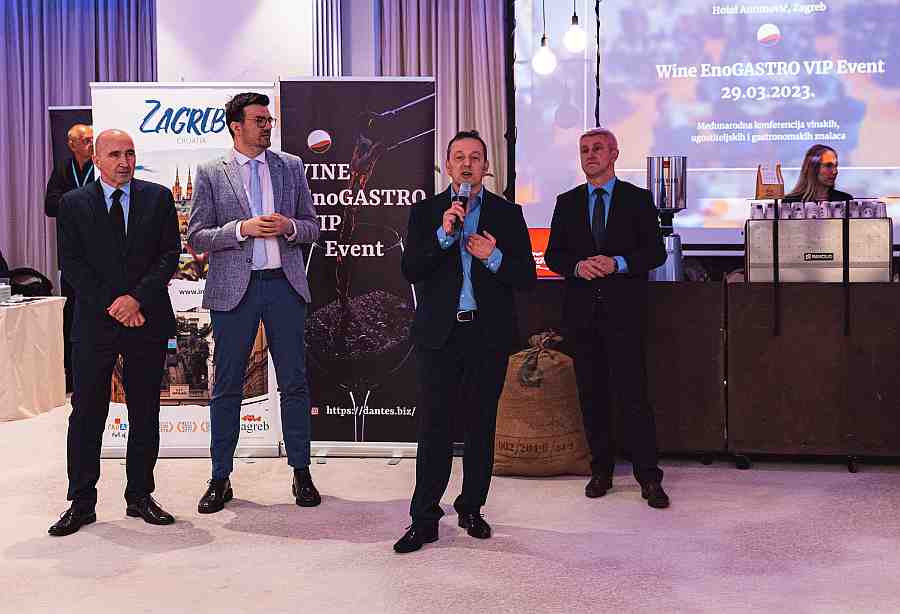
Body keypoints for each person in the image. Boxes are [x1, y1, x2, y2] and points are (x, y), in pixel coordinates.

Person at [393, 130, 536, 554]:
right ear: (448, 166)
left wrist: (493, 256)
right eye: (459, 157)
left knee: (480, 427)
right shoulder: (427, 212)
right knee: (433, 429)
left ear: (486, 167)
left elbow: (525, 278)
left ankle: (471, 508)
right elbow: (411, 270)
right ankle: (424, 519)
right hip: (439, 337)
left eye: (475, 157)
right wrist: (443, 235)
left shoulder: (507, 215)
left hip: (486, 335)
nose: (467, 164)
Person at [187, 92, 321, 513]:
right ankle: (220, 477)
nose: (267, 126)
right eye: (259, 120)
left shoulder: (291, 167)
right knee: (226, 386)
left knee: (294, 383)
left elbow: (312, 227)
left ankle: (301, 472)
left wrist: (289, 227)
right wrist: (241, 229)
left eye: (269, 120)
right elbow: (196, 236)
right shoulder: (211, 172)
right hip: (234, 292)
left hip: (284, 287)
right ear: (236, 126)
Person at [50, 129, 181, 536]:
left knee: (144, 412)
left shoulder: (158, 197)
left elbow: (169, 255)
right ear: (96, 159)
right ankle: (81, 502)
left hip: (146, 319)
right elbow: (72, 264)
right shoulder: (73, 203)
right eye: (114, 154)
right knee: (87, 414)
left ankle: (140, 496)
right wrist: (116, 305)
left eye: (130, 153)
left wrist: (136, 300)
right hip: (95, 322)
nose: (124, 162)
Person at [544, 128, 670, 509]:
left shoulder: (637, 199)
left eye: (598, 148)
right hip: (582, 316)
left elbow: (655, 253)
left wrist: (619, 263)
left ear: (614, 153)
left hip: (624, 314)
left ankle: (649, 477)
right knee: (591, 396)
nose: (590, 155)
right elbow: (553, 255)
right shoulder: (567, 202)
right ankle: (601, 471)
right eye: (584, 149)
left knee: (634, 396)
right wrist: (577, 266)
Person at [45, 123, 95, 392]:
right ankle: (73, 376)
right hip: (73, 255)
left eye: (92, 139)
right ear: (71, 144)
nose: (90, 144)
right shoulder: (63, 170)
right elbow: (50, 206)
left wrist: (73, 202)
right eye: (85, 140)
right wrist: (82, 200)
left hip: (100, 253)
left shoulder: (100, 166)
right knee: (73, 315)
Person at [783, 144, 853, 203]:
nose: (835, 172)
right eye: (828, 166)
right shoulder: (790, 201)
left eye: (836, 166)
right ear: (813, 169)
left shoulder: (845, 200)